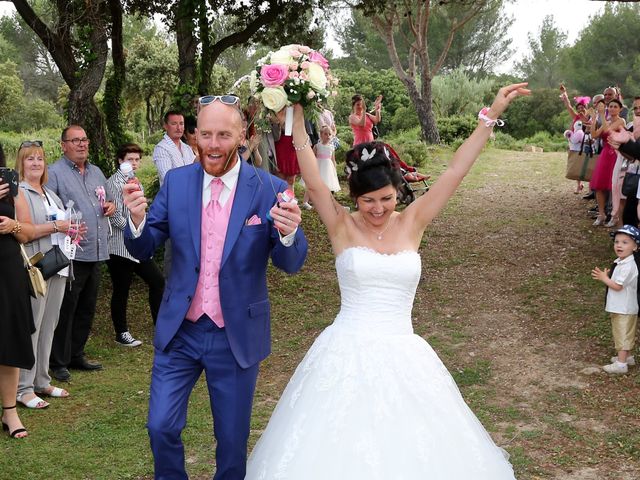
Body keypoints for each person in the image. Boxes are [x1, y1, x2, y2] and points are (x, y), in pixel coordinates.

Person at [244, 83, 530, 479]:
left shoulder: (414, 222)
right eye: (368, 201)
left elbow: (455, 170)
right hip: (344, 352)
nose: (378, 209)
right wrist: (296, 113)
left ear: (398, 192)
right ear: (353, 197)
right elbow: (310, 172)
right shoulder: (340, 223)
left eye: (386, 198)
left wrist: (490, 116)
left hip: (404, 351)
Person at [122, 94, 308, 480]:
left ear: (243, 135)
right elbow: (143, 246)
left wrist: (290, 235)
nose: (212, 144)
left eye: (223, 134)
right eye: (205, 134)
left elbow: (290, 264)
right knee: (160, 426)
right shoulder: (176, 183)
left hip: (235, 336)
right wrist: (137, 219)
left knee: (232, 440)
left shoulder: (268, 188)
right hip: (181, 331)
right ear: (194, 137)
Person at [47, 125, 116, 382]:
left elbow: (110, 201)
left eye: (84, 139)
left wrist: (111, 205)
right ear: (63, 145)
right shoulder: (54, 173)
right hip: (70, 253)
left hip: (96, 251)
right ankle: (58, 361)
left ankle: (76, 354)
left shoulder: (97, 171)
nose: (82, 144)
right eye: (75, 140)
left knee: (87, 307)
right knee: (67, 308)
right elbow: (49, 210)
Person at [16, 141, 73, 409]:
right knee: (33, 326)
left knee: (50, 325)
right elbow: (24, 231)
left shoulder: (50, 193)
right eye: (30, 159)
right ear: (22, 164)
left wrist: (70, 230)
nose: (36, 163)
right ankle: (22, 388)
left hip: (59, 265)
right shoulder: (19, 193)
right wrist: (55, 226)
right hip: (36, 268)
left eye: (40, 158)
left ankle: (41, 380)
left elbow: (61, 225)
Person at [106, 143, 165, 347]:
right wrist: (133, 230)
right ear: (120, 161)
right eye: (130, 159)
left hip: (137, 245)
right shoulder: (113, 183)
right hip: (119, 246)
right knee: (121, 290)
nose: (134, 163)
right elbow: (114, 216)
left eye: (137, 160)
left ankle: (161, 326)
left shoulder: (134, 181)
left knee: (157, 281)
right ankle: (121, 332)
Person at [0, 143, 36, 438]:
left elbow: (27, 232)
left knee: (9, 340)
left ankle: (10, 412)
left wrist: (12, 225)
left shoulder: (10, 187)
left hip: (7, 271)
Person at [591, 225, 640, 374]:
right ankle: (628, 357)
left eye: (625, 242)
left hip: (624, 307)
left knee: (623, 333)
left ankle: (621, 364)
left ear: (635, 247)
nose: (619, 245)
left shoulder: (628, 265)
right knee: (622, 331)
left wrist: (604, 278)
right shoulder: (621, 261)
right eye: (617, 241)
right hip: (620, 306)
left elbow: (618, 286)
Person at [590, 99, 626, 227]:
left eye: (615, 106)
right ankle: (601, 214)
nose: (612, 109)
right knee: (599, 185)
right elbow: (594, 135)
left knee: (614, 187)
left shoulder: (621, 121)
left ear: (620, 109)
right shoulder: (607, 120)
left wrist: (601, 115)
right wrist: (594, 119)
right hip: (605, 154)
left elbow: (607, 131)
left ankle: (615, 215)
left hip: (616, 154)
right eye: (610, 106)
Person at [559, 84, 591, 194]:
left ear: (586, 108)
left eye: (583, 107)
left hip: (586, 143)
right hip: (575, 143)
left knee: (588, 162)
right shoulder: (575, 117)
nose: (580, 109)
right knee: (576, 162)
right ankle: (579, 184)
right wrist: (564, 93)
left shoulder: (590, 117)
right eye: (579, 108)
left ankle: (591, 187)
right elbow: (568, 106)